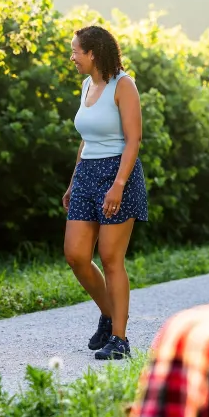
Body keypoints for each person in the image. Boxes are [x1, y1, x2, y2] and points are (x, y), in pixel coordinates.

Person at [62, 25, 149, 360]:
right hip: (86, 174)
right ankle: (110, 315)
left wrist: (118, 185)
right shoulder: (87, 85)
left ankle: (120, 339)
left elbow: (133, 140)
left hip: (118, 174)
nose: (72, 58)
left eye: (75, 52)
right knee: (76, 255)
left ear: (92, 53)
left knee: (112, 259)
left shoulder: (123, 85)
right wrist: (74, 181)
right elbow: (86, 140)